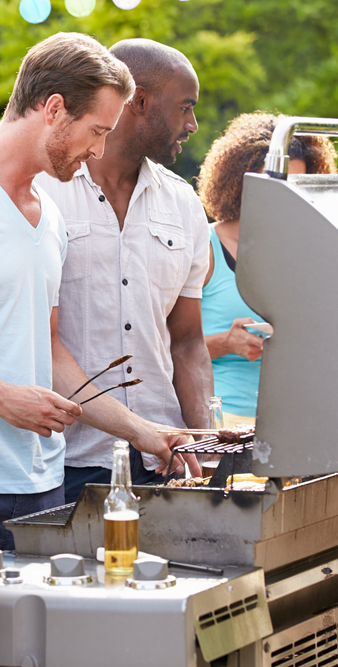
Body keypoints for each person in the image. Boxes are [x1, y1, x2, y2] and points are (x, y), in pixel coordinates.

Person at [0, 32, 181, 572]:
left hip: (44, 490)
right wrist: (0, 397)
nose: (98, 150)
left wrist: (145, 433)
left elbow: (50, 352)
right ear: (53, 110)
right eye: (96, 131)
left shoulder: (49, 215)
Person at [32, 38, 210, 502]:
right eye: (185, 107)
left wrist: (206, 447)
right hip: (64, 462)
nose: (192, 124)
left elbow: (188, 340)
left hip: (163, 462)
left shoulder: (185, 205)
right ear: (141, 102)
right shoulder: (42, 194)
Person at [196, 112, 337, 424]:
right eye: (272, 182)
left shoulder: (303, 254)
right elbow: (162, 348)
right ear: (237, 180)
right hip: (223, 423)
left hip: (291, 421)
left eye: (294, 185)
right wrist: (225, 342)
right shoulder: (204, 247)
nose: (282, 195)